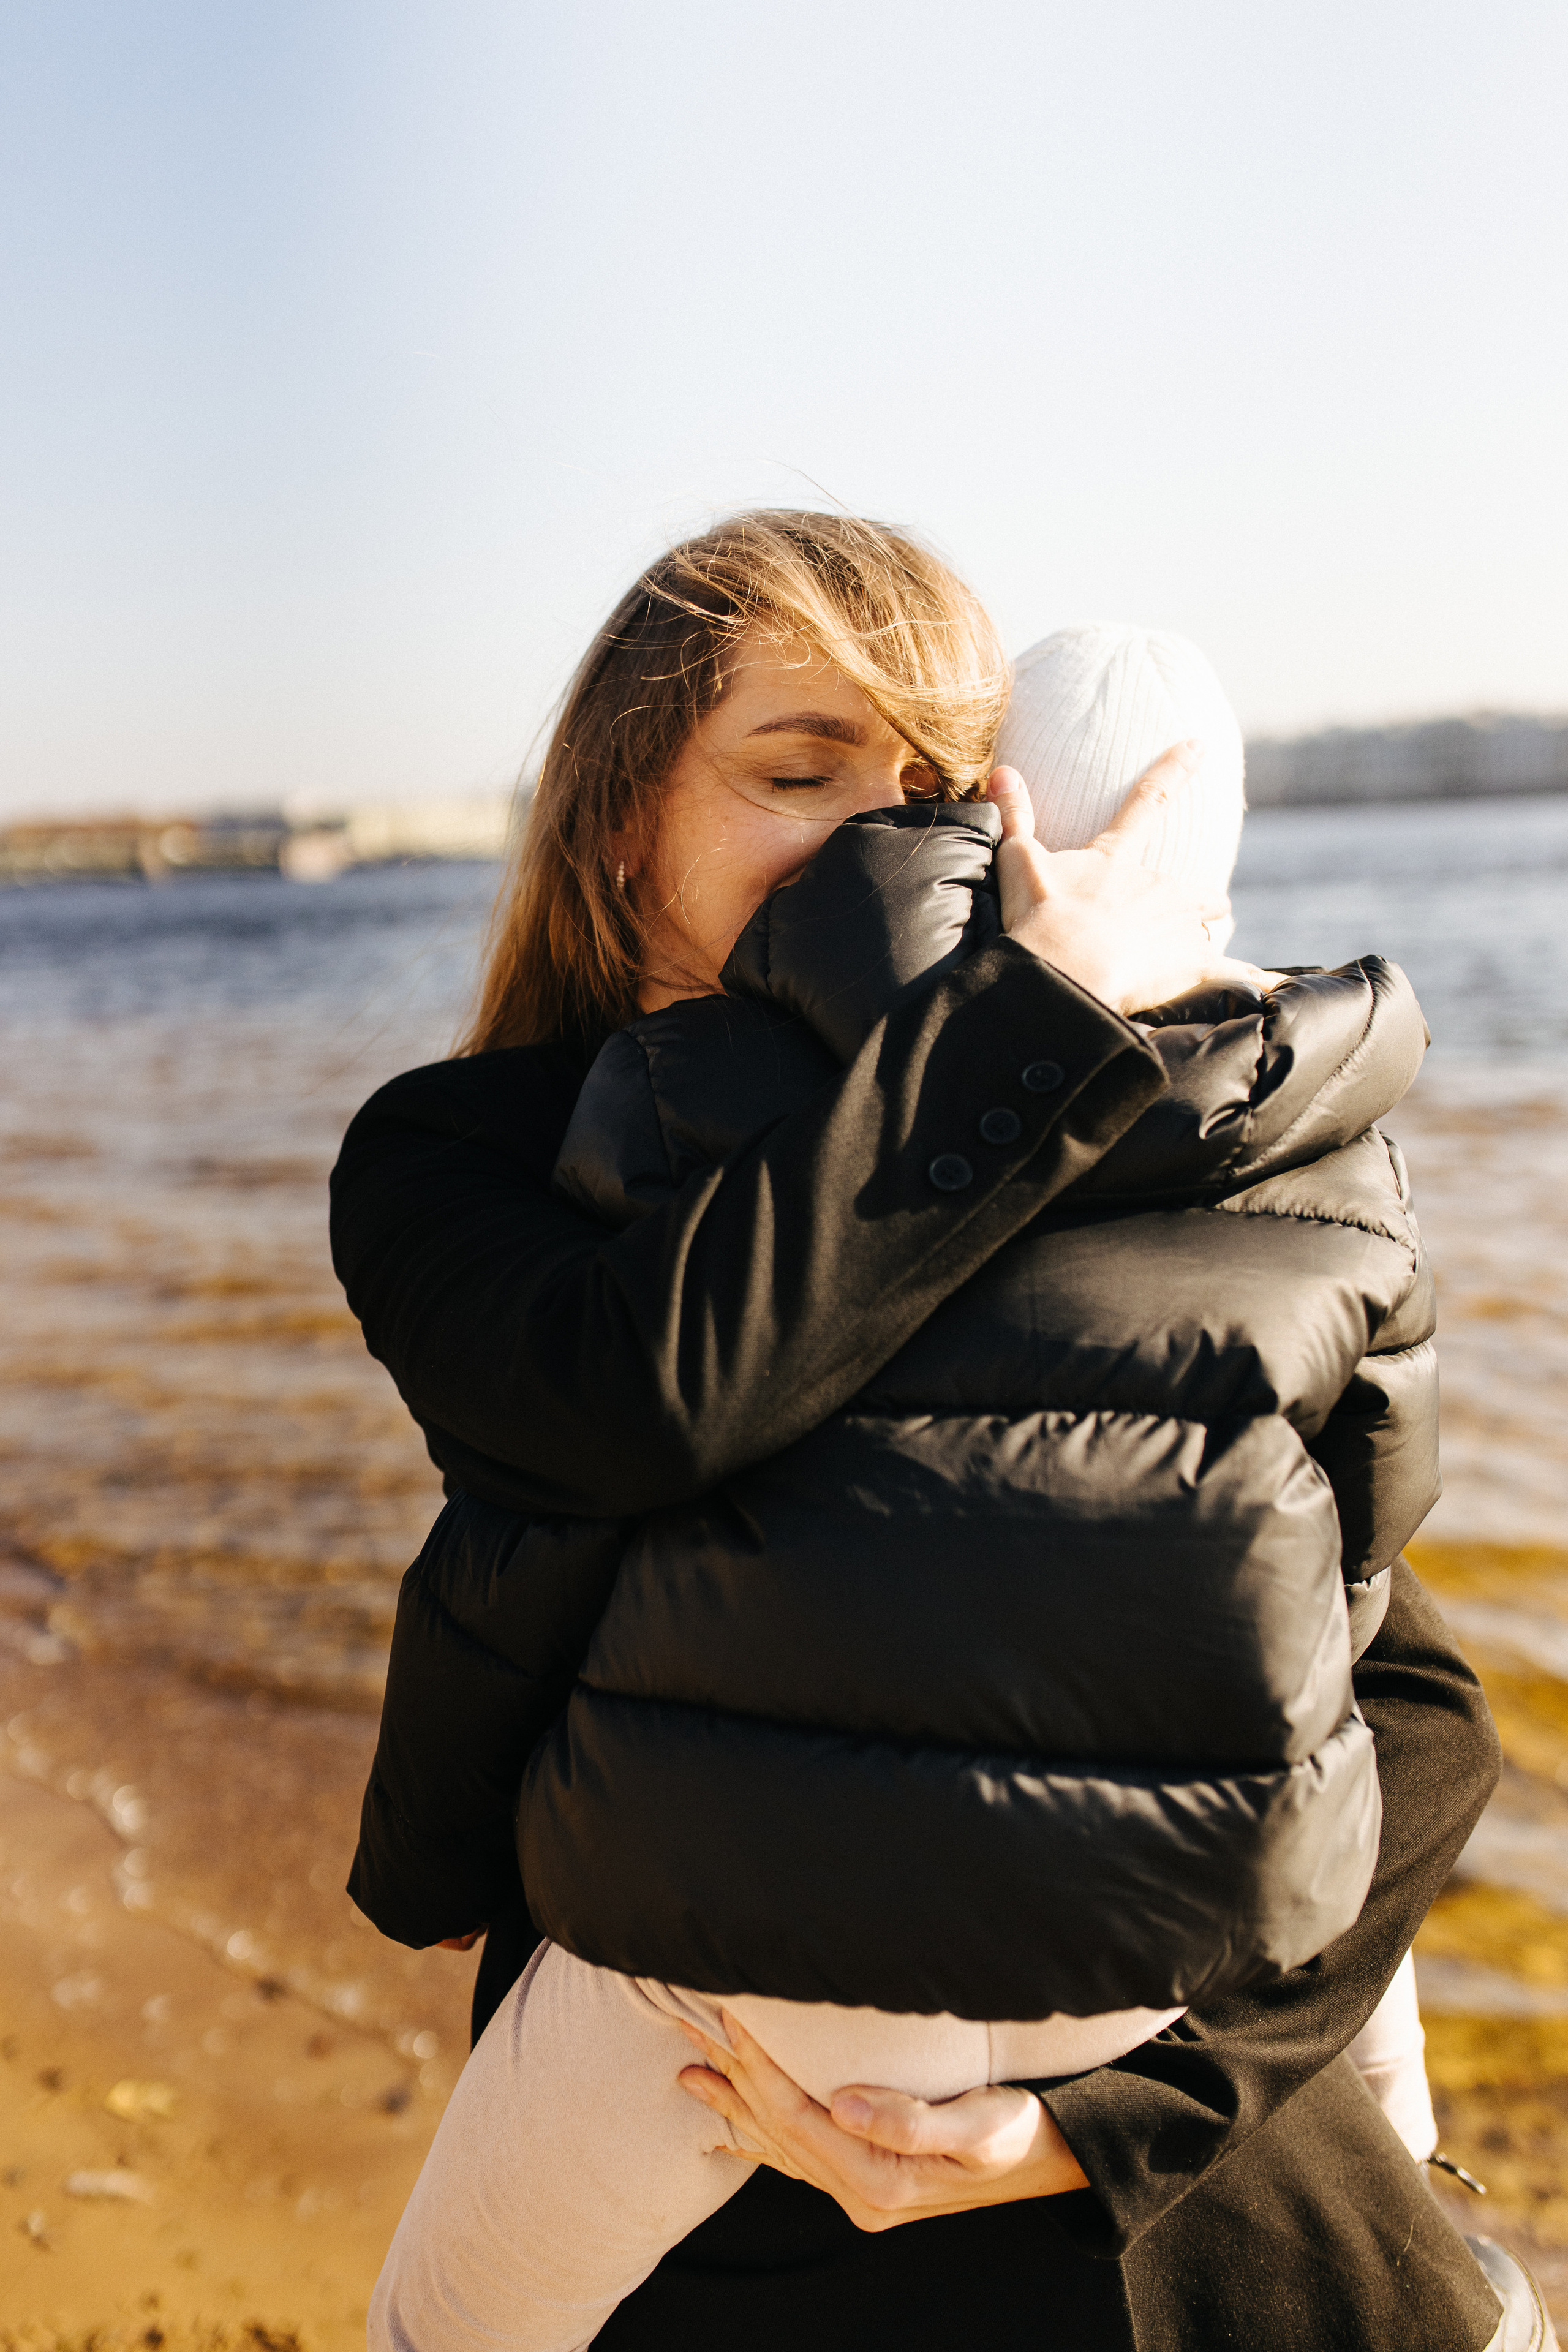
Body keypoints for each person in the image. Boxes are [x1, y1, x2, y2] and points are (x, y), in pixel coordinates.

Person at [333, 513, 1507, 2351]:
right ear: (619, 818)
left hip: (1134, 2163)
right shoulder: (464, 1150)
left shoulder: (1092, 1125)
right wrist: (1017, 1034)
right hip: (703, 2127)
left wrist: (1108, 2124)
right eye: (798, 774)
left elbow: (1407, 1707)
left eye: (939, 789)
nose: (884, 844)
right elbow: (639, 1399)